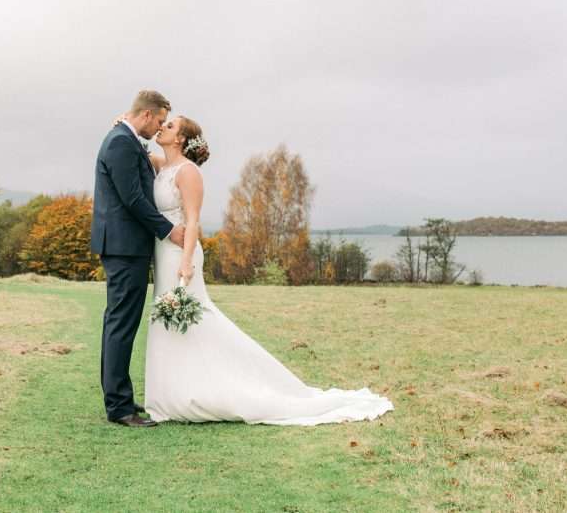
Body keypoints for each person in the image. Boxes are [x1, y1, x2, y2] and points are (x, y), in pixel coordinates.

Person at [143, 116, 394, 425]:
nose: (162, 127)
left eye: (169, 126)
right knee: (168, 320)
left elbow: (193, 220)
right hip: (163, 252)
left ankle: (216, 389)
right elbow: (140, 151)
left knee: (194, 317)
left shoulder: (188, 172)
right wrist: (123, 125)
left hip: (182, 254)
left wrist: (186, 262)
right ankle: (173, 393)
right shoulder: (163, 166)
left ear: (181, 139)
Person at [91, 90, 186, 428]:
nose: (159, 128)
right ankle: (118, 407)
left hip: (125, 245)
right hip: (123, 246)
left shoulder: (126, 139)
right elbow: (132, 198)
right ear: (146, 115)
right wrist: (168, 231)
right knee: (121, 324)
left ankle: (120, 397)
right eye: (159, 121)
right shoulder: (120, 142)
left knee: (119, 322)